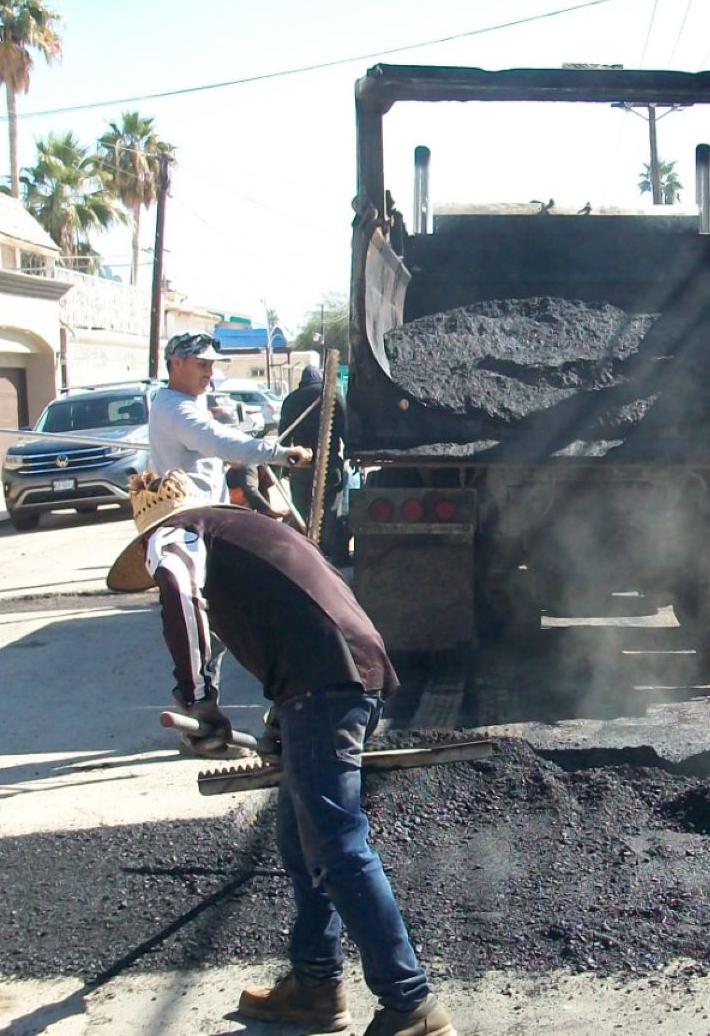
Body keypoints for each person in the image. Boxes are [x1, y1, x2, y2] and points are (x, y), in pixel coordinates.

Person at [107, 469, 457, 1036]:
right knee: (301, 838)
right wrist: (279, 716)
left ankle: (411, 1005)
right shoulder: (244, 531)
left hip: (322, 682)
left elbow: (179, 590)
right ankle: (315, 985)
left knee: (336, 843)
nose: (151, 560)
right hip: (340, 675)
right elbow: (280, 613)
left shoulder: (175, 536)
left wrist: (199, 699)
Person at [149, 332, 308, 504]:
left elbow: (203, 448)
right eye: (202, 364)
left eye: (211, 365)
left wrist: (228, 458)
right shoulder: (176, 409)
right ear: (176, 362)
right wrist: (281, 454)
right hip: (194, 517)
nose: (209, 373)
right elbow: (215, 439)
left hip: (204, 511)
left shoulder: (187, 400)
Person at [280, 355, 349, 563]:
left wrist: (284, 465)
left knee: (301, 510)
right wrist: (352, 457)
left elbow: (284, 435)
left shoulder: (291, 399)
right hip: (330, 465)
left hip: (301, 465)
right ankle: (335, 557)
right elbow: (347, 430)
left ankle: (305, 556)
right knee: (331, 510)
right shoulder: (334, 395)